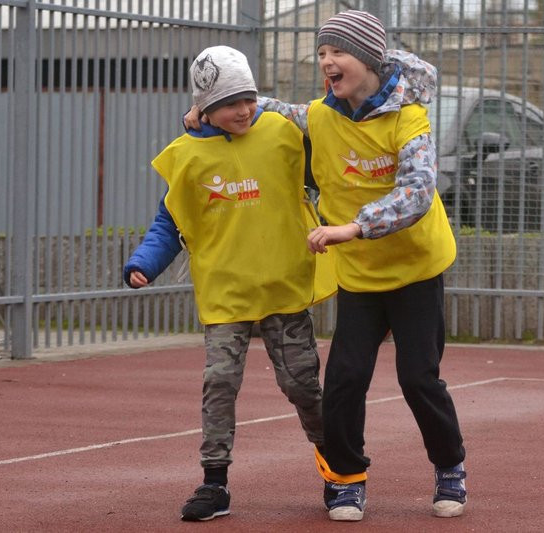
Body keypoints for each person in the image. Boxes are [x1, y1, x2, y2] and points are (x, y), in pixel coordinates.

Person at [186, 10, 466, 522]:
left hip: (416, 269)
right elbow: (265, 108)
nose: (327, 62)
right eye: (321, 54)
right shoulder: (320, 114)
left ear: (367, 59)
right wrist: (211, 109)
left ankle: (449, 467)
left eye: (337, 52)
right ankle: (348, 478)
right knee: (344, 379)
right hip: (360, 275)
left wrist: (353, 227)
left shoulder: (410, 118)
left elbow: (418, 192)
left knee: (418, 377)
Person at [124, 45, 335, 522]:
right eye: (229, 102)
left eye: (249, 98)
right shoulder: (187, 156)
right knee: (219, 382)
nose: (243, 110)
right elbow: (170, 223)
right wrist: (145, 262)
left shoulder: (283, 134)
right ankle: (214, 483)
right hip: (226, 294)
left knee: (302, 386)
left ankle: (337, 470)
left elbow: (332, 155)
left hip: (284, 286)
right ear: (204, 108)